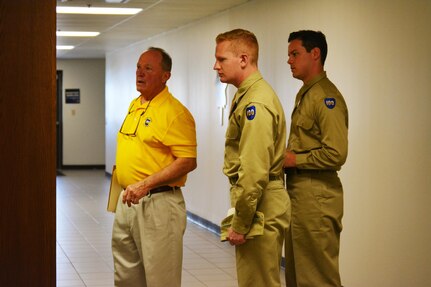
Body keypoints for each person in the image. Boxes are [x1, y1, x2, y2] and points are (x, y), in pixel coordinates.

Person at [111, 47, 197, 287]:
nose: (140, 72)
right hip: (127, 201)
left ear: (165, 76)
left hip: (158, 205)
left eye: (148, 68)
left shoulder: (175, 112)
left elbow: (188, 161)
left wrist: (145, 184)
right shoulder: (135, 105)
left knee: (161, 279)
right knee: (126, 276)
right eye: (138, 67)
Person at [213, 28, 290, 287]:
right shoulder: (246, 95)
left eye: (221, 59)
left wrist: (241, 223)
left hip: (262, 203)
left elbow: (254, 171)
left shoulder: (256, 103)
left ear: (243, 59)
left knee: (259, 282)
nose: (215, 66)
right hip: (260, 200)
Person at [284, 30, 348, 287]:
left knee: (318, 277)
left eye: (295, 54)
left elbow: (337, 153)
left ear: (315, 54)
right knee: (299, 274)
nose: (289, 60)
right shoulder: (306, 93)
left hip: (317, 199)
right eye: (288, 55)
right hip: (300, 195)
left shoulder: (326, 97)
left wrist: (293, 160)